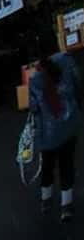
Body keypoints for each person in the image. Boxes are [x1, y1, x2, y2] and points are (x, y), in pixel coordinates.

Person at [29, 53, 83, 222]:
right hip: (69, 124)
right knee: (67, 164)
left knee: (48, 165)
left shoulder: (35, 81)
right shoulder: (66, 65)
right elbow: (78, 86)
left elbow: (33, 108)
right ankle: (66, 206)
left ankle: (46, 200)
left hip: (48, 132)